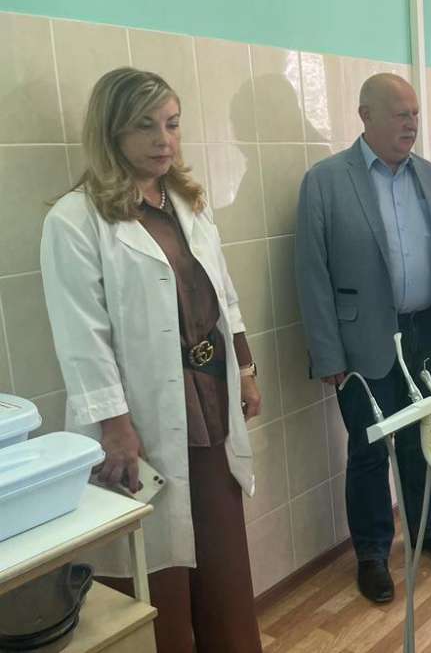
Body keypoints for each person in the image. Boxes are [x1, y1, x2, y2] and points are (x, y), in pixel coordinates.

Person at [40, 68, 262, 652]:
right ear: (111, 131)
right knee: (156, 569)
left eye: (172, 124)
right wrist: (115, 426)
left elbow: (225, 296)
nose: (164, 140)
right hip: (139, 418)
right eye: (145, 126)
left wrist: (245, 370)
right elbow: (80, 337)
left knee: (221, 554)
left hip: (209, 406)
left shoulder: (187, 202)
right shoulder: (75, 219)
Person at [295, 73, 431, 604]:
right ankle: (372, 553)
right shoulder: (326, 181)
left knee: (424, 439)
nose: (411, 123)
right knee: (370, 446)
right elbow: (311, 274)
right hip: (362, 340)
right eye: (400, 114)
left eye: (415, 113)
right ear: (365, 115)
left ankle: (428, 531)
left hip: (426, 331)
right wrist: (327, 352)